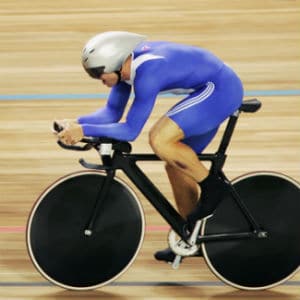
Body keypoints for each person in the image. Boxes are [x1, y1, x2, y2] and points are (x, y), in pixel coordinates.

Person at [55, 31, 244, 263]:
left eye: (97, 72)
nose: (98, 79)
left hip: (220, 90)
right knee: (176, 165)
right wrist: (76, 123)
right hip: (208, 89)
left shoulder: (148, 72)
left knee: (160, 139)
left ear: (115, 61)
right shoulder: (124, 72)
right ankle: (191, 238)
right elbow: (110, 114)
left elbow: (131, 130)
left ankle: (214, 187)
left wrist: (84, 132)